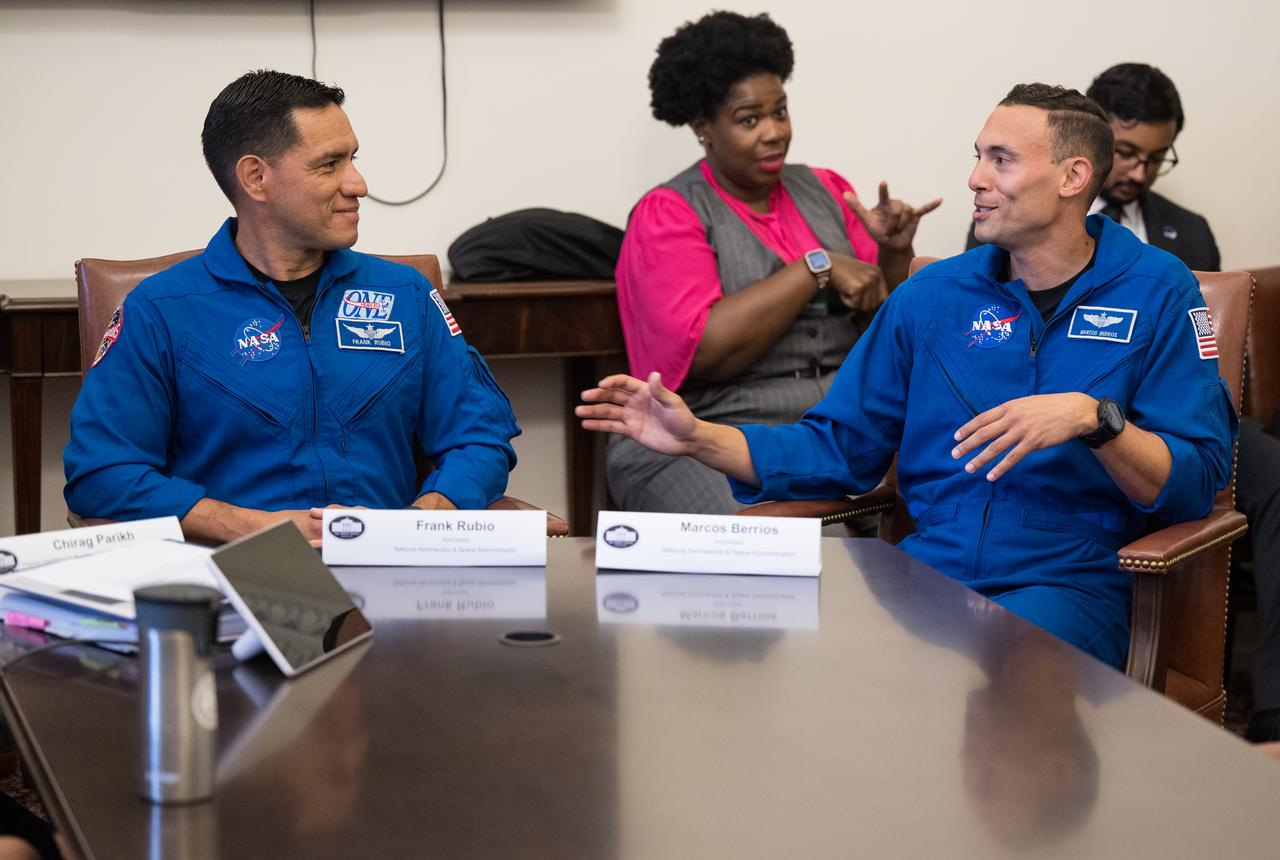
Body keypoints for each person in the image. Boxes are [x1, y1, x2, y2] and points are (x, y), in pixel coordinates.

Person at [579, 83, 1237, 667]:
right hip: (932, 574)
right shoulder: (932, 298)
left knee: (1001, 677)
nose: (976, 177)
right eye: (977, 154)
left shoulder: (1158, 291)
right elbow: (838, 448)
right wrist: (698, 436)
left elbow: (1196, 478)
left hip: (1068, 581)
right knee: (817, 677)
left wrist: (1095, 421)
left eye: (1000, 160)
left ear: (1073, 176)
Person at [63, 71, 520, 544]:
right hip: (234, 576)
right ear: (255, 177)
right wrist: (259, 529)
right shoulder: (161, 311)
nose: (359, 184)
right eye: (329, 165)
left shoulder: (405, 296)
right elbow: (103, 474)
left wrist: (427, 516)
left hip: (391, 571)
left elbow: (479, 438)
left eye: (353, 159)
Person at [609, 11, 939, 514]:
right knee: (792, 562)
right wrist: (816, 267)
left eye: (779, 112)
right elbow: (708, 354)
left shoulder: (827, 189)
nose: (774, 133)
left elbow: (890, 326)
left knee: (939, 529)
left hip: (839, 430)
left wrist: (894, 251)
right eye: (749, 120)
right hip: (699, 435)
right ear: (704, 128)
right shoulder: (669, 213)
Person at [965, 63, 1219, 271]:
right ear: (1093, 141)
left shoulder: (1193, 233)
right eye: (1125, 152)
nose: (1139, 174)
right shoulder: (1004, 221)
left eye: (1156, 158)